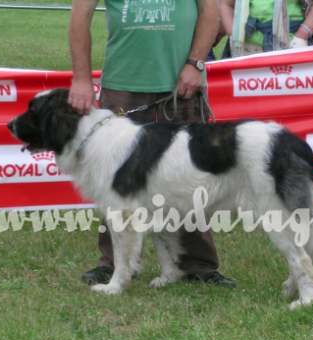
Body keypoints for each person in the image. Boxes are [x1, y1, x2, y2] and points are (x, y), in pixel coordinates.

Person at [68, 0, 236, 287]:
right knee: (115, 185)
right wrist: (82, 78)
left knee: (189, 178)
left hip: (181, 83)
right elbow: (79, 15)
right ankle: (113, 264)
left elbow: (210, 10)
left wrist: (195, 63)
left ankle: (197, 265)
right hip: (123, 85)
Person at [219, 0, 313, 57]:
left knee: (295, 99)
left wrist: (301, 36)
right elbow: (226, 4)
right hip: (247, 48)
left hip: (292, 45)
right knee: (250, 101)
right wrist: (233, 33)